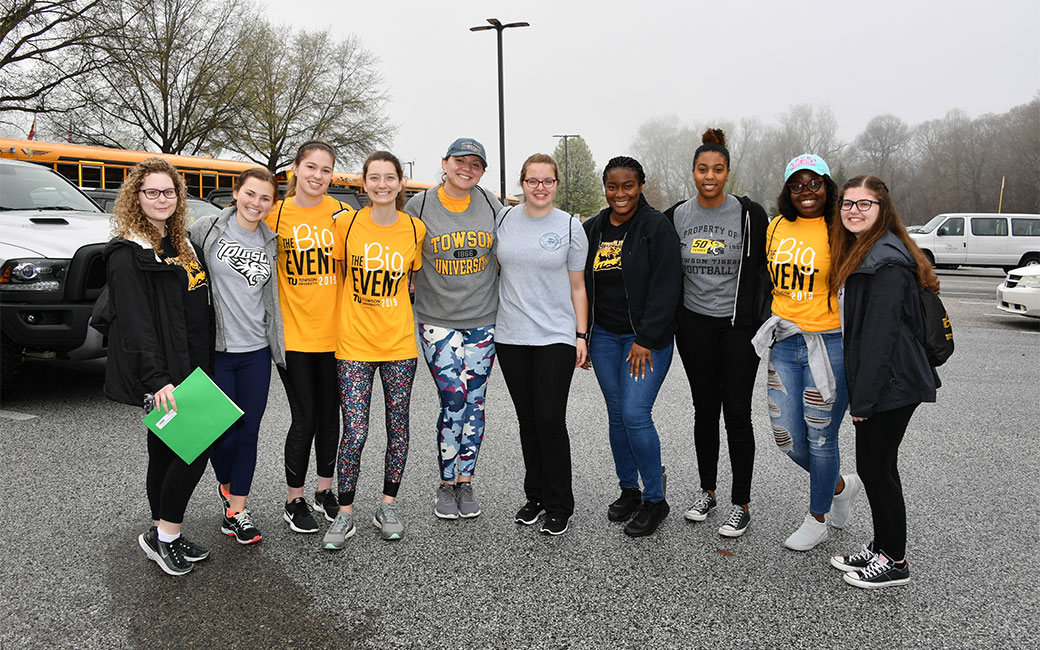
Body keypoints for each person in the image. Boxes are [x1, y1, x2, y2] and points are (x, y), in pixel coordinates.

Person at [102, 157, 213, 576]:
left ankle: (160, 531)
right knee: (195, 449)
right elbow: (135, 324)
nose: (162, 199)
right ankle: (165, 537)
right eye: (152, 192)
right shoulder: (128, 253)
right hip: (165, 371)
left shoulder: (180, 243)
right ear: (136, 196)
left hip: (194, 363)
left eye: (169, 191)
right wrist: (158, 379)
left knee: (164, 452)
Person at [827, 175, 938, 588]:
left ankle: (895, 562)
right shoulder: (870, 249)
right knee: (876, 468)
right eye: (847, 204)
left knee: (877, 470)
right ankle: (881, 548)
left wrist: (863, 402)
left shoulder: (886, 260)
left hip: (892, 382)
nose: (853, 211)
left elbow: (879, 339)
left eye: (864, 204)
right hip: (885, 380)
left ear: (882, 210)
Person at [750, 154, 861, 552]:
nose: (806, 192)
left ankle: (818, 518)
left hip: (828, 343)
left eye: (814, 183)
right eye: (797, 185)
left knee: (820, 437)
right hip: (784, 340)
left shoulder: (840, 226)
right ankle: (839, 486)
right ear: (787, 191)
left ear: (829, 186)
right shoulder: (777, 226)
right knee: (787, 438)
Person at [664, 129, 770, 538]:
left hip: (738, 327)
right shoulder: (678, 215)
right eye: (703, 169)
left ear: (728, 172)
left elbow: (767, 266)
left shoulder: (748, 213)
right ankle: (707, 491)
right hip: (694, 326)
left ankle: (740, 503)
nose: (710, 176)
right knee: (705, 411)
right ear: (693, 172)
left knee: (738, 415)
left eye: (718, 169)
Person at [322, 151, 426, 548]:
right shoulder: (345, 225)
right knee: (356, 432)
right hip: (353, 346)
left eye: (389, 178)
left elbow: (411, 280)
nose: (382, 185)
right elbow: (340, 273)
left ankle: (387, 505)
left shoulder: (415, 229)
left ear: (400, 183)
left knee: (398, 429)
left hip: (399, 345)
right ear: (363, 184)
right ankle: (344, 513)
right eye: (374, 178)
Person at [403, 138, 503, 520]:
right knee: (454, 398)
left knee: (475, 402)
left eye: (475, 163)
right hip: (437, 321)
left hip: (482, 320)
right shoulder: (421, 205)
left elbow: (506, 256)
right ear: (444, 163)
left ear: (482, 171)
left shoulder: (492, 204)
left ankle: (466, 480)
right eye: (460, 161)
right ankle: (446, 484)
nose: (467, 168)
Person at [583, 156, 682, 538]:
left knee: (635, 412)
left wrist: (646, 338)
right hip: (606, 337)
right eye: (612, 186)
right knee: (616, 415)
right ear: (605, 187)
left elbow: (667, 286)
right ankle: (630, 489)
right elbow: (580, 285)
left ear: (640, 185)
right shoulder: (593, 229)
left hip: (646, 339)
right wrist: (585, 335)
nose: (619, 194)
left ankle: (656, 499)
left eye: (627, 186)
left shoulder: (656, 227)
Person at [495, 154, 589, 536]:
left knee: (550, 419)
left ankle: (559, 504)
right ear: (522, 183)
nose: (539, 188)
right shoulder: (503, 220)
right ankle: (534, 496)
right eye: (532, 181)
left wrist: (581, 335)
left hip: (555, 336)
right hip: (511, 336)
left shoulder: (569, 226)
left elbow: (578, 286)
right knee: (528, 422)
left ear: (555, 184)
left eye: (547, 181)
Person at [188, 167, 283, 545]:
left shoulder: (272, 241)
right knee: (219, 434)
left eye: (265, 198)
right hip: (217, 351)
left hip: (256, 351)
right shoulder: (206, 229)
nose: (256, 203)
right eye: (251, 194)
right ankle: (226, 487)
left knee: (249, 432)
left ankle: (237, 510)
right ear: (236, 192)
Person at [265, 140, 352, 534]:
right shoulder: (274, 214)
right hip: (294, 338)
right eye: (311, 167)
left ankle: (324, 491)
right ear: (295, 169)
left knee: (330, 417)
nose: (318, 176)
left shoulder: (344, 216)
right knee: (305, 418)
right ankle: (293, 498)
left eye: (326, 169)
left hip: (337, 338)